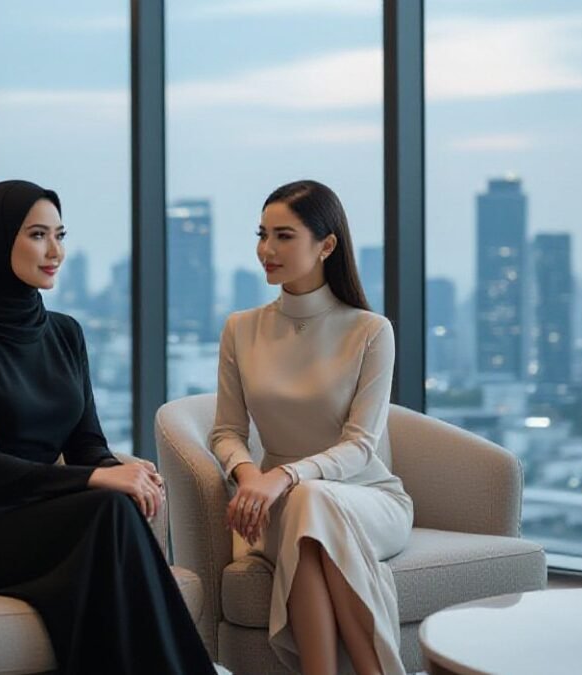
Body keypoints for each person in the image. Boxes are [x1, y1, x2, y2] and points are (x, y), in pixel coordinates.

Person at [0, 180, 216, 675]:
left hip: (39, 517)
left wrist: (126, 472)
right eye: (37, 235)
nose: (55, 251)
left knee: (116, 507)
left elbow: (88, 445)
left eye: (60, 234)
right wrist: (99, 478)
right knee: (109, 510)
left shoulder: (65, 333)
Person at [211, 180, 413, 675]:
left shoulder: (370, 330)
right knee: (306, 503)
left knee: (310, 498)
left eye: (284, 236)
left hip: (367, 499)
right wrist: (250, 475)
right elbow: (226, 432)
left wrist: (285, 476)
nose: (266, 250)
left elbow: (361, 447)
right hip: (277, 505)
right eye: (262, 234)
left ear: (326, 245)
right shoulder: (242, 327)